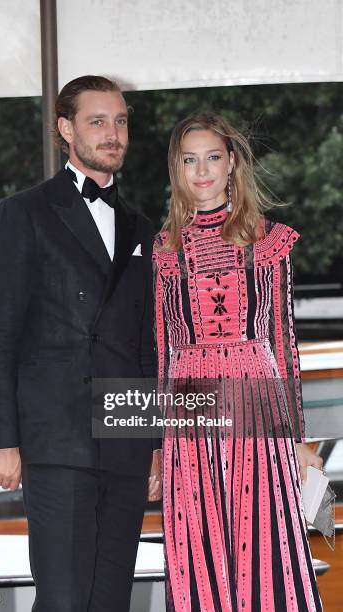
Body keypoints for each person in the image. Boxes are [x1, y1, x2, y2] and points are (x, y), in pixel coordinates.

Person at [0, 75, 162, 612]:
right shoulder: (23, 213)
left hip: (124, 439)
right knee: (63, 600)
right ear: (65, 129)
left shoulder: (142, 227)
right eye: (97, 121)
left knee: (109, 601)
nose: (113, 134)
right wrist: (2, 440)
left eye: (121, 121)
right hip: (57, 440)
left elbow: (147, 342)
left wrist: (151, 442)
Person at [152, 111, 323, 611]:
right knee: (196, 536)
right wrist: (158, 445)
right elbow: (163, 348)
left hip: (257, 400)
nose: (201, 170)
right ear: (176, 169)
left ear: (231, 164)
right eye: (189, 160)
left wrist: (296, 438)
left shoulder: (270, 241)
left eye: (211, 157)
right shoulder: (164, 249)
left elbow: (283, 340)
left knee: (264, 536)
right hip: (190, 404)